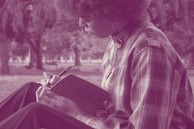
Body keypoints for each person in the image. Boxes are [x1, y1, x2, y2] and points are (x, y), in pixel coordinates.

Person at [0, 0, 194, 129]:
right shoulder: (116, 43)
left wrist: (75, 113)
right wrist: (67, 90)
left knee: (37, 113)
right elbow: (112, 107)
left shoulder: (150, 51)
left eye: (86, 17)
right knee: (30, 91)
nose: (80, 23)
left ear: (112, 11)